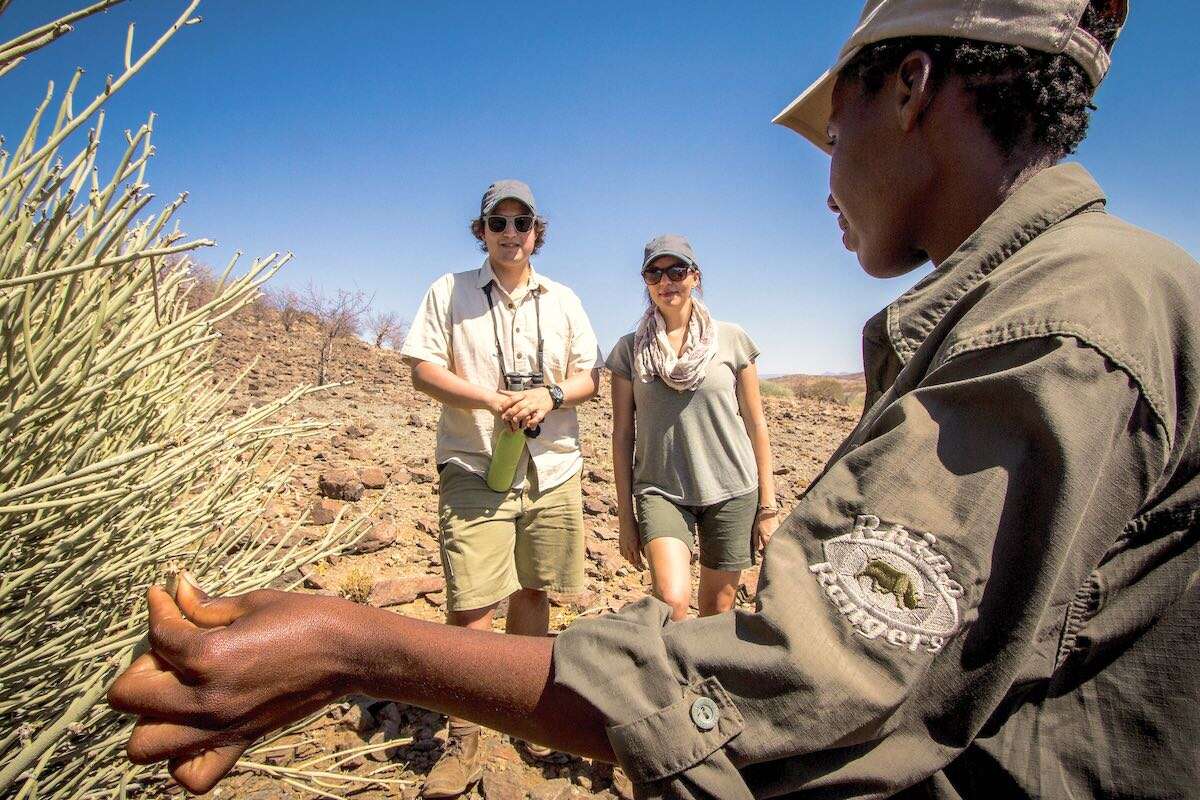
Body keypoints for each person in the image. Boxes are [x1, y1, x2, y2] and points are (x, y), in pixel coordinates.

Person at [109, 2, 1200, 798]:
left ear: (910, 87)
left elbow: (809, 682)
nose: (826, 178)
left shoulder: (1063, 322)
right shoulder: (1061, 295)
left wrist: (353, 647)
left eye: (834, 132)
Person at [397, 179, 601, 797]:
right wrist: (491, 399)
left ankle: (525, 710)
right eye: (498, 223)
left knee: (534, 589)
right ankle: (466, 737)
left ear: (537, 232)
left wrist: (550, 394)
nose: (510, 234)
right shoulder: (449, 291)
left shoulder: (563, 299)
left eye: (521, 223)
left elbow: (589, 375)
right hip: (474, 461)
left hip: (552, 468)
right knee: (472, 603)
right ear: (481, 231)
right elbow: (422, 369)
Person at [610, 234, 779, 620]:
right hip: (661, 488)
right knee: (671, 600)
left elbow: (756, 423)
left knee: (718, 609)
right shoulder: (628, 350)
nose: (666, 281)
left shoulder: (732, 339)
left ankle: (699, 680)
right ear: (646, 282)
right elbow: (622, 435)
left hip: (732, 488)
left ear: (695, 277)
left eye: (677, 271)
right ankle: (668, 678)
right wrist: (625, 518)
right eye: (654, 274)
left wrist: (767, 507)